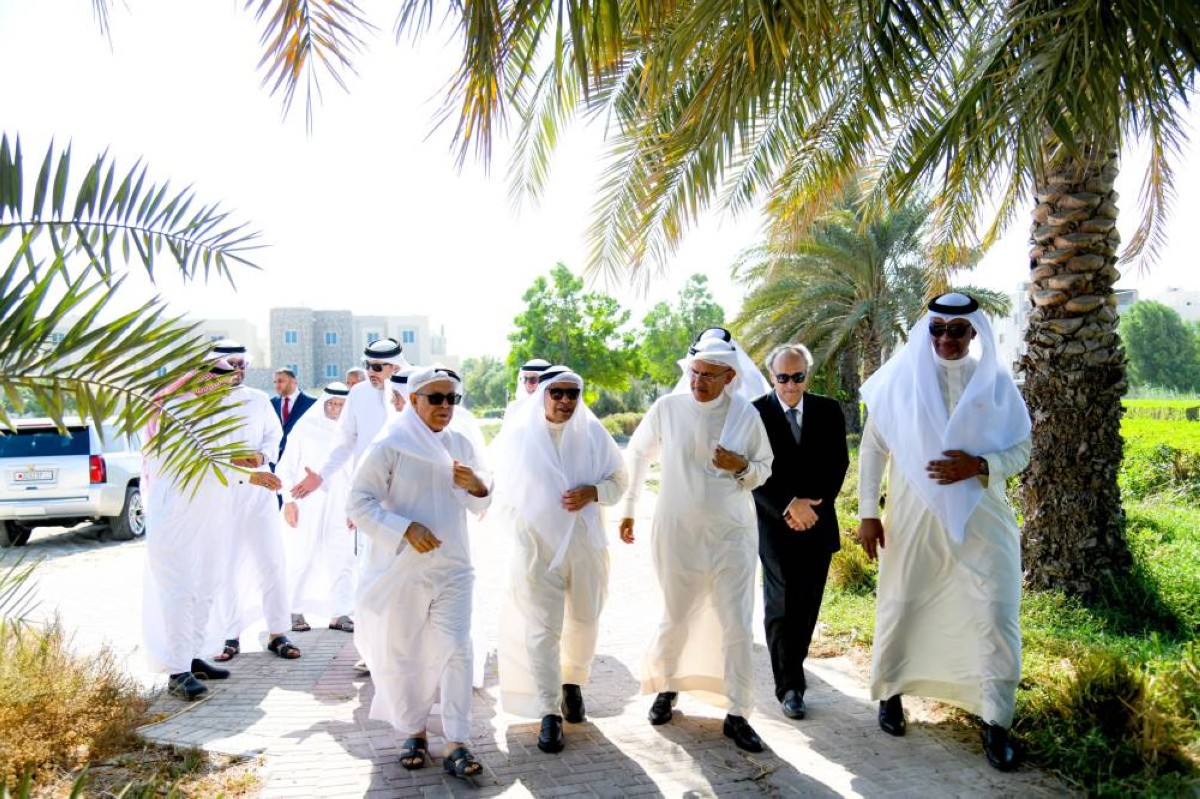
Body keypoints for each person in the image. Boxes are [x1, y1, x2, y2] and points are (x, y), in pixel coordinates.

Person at [857, 292, 1031, 771]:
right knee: (903, 602)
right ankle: (891, 693)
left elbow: (1022, 450)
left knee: (996, 611)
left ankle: (997, 721)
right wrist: (868, 512)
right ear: (926, 331)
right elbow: (874, 449)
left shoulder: (994, 383)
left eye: (957, 330)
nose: (947, 338)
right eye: (938, 329)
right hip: (912, 516)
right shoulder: (900, 380)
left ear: (974, 332)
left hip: (982, 514)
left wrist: (980, 465)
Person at [619, 337, 773, 753]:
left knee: (736, 622)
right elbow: (637, 455)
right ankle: (668, 687)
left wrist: (740, 465)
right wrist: (630, 508)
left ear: (730, 377)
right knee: (677, 615)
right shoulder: (667, 409)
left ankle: (738, 712)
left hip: (731, 535)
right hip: (677, 533)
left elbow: (765, 466)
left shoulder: (745, 414)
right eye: (694, 373)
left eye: (708, 375)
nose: (698, 381)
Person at [347, 366, 492, 779]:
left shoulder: (460, 442)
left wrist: (478, 485)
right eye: (436, 398)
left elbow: (480, 502)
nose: (446, 406)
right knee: (406, 651)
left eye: (452, 399)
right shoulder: (389, 445)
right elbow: (358, 503)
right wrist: (404, 529)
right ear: (413, 401)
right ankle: (413, 730)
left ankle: (458, 742)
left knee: (457, 648)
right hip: (401, 569)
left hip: (453, 568)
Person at [492, 366, 627, 753]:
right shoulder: (517, 437)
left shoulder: (592, 433)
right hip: (536, 550)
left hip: (585, 546)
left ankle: (572, 683)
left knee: (584, 620)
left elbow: (620, 480)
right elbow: (497, 492)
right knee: (542, 629)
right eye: (558, 393)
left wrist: (593, 491)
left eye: (573, 393)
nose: (566, 401)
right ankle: (549, 712)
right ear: (543, 395)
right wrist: (522, 531)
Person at [142, 359, 282, 700]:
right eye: (219, 383)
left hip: (213, 513)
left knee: (206, 586)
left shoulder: (215, 411)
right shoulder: (172, 410)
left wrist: (256, 460)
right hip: (176, 516)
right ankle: (177, 672)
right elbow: (195, 459)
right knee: (179, 590)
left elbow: (222, 454)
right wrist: (251, 475)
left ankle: (192, 657)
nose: (226, 389)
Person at [751, 344, 849, 721]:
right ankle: (789, 686)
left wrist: (811, 506)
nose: (790, 384)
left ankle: (795, 665)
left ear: (807, 375)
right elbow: (753, 472)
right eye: (782, 377)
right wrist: (789, 505)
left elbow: (838, 464)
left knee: (806, 607)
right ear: (771, 376)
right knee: (780, 606)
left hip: (817, 523)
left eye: (797, 376)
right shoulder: (754, 413)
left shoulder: (828, 410)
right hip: (774, 526)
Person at [207, 340, 299, 663]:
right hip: (222, 496)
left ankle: (278, 632)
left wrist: (261, 455)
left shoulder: (259, 401)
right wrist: (234, 459)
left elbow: (275, 437)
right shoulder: (204, 405)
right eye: (231, 364)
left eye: (242, 364)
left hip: (259, 494)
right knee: (226, 567)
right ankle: (230, 636)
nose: (238, 370)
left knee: (271, 562)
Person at [278, 383, 356, 634]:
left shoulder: (353, 431)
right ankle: (293, 610)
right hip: (307, 500)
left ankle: (339, 613)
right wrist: (288, 501)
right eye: (331, 404)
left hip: (342, 501)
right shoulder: (306, 427)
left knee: (342, 555)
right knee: (302, 554)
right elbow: (286, 465)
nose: (335, 408)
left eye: (341, 405)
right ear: (323, 404)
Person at [289, 337, 407, 500]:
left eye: (377, 367)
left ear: (396, 367)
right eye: (368, 366)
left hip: (405, 489)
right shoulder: (359, 393)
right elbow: (345, 441)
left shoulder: (413, 395)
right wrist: (321, 475)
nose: (371, 372)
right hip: (368, 488)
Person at [271, 367, 315, 458]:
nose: (277, 385)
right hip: (275, 460)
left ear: (294, 381)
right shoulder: (271, 403)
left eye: (280, 381)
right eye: (275, 382)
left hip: (302, 458)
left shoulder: (312, 403)